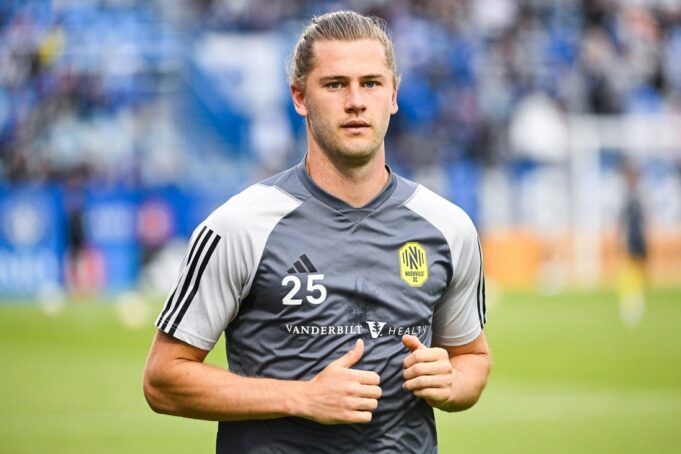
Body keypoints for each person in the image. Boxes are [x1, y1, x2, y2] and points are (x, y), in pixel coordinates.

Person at [143, 10, 490, 453]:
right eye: (335, 84)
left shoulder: (448, 227)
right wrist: (301, 397)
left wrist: (452, 382)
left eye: (371, 83)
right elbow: (163, 379)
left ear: (393, 95)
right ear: (300, 97)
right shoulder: (239, 226)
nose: (356, 101)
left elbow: (472, 358)